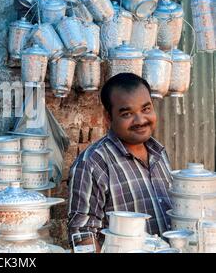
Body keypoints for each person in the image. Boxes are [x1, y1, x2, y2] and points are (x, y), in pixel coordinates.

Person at [67, 73, 173, 252]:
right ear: (108, 117)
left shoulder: (159, 153)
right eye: (127, 113)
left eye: (146, 109)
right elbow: (82, 235)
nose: (140, 120)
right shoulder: (92, 163)